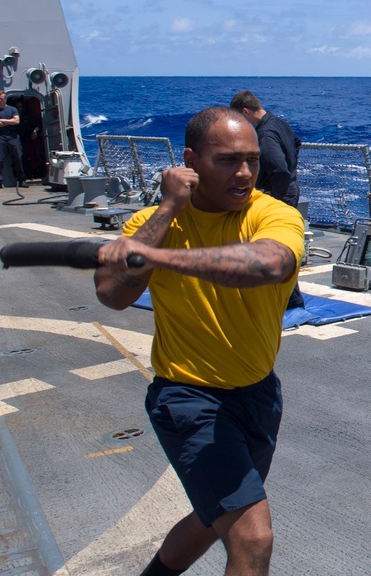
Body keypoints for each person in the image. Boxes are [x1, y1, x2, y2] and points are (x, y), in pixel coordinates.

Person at [94, 107, 304, 576]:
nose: (246, 173)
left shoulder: (273, 214)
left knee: (216, 518)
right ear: (189, 161)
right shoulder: (152, 224)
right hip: (189, 398)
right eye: (228, 160)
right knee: (252, 535)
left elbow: (268, 265)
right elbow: (112, 294)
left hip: (259, 394)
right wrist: (167, 211)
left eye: (251, 159)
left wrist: (158, 259)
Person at [230, 90, 305, 309]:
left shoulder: (265, 134)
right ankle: (289, 297)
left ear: (245, 111)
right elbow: (297, 143)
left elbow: (278, 169)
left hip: (280, 192)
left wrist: (274, 199)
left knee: (276, 244)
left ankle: (291, 299)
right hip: (291, 186)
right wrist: (292, 169)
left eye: (239, 118)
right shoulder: (278, 123)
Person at [0, 89, 28, 188]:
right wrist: (9, 121)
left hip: (12, 136)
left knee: (18, 157)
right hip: (0, 136)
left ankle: (22, 179)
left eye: (1, 99)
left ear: (5, 99)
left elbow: (17, 121)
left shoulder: (12, 109)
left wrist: (1, 120)